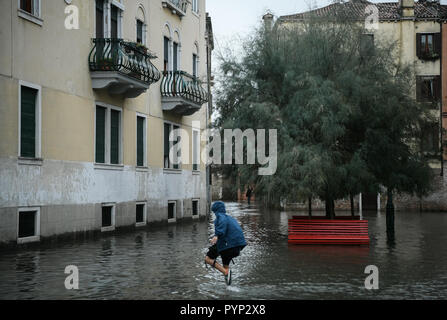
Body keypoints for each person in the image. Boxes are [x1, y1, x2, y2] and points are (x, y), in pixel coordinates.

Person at [205, 201, 247, 285]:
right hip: (237, 246)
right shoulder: (231, 218)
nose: (214, 214)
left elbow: (222, 224)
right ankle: (228, 287)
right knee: (225, 264)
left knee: (208, 259)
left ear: (216, 211)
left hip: (228, 245)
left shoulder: (221, 216)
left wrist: (217, 235)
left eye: (214, 212)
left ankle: (225, 272)